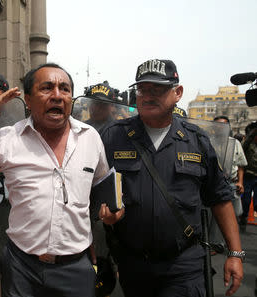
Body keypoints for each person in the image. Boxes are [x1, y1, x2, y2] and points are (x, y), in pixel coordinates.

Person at [0, 63, 112, 297]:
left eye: (64, 89)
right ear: (28, 100)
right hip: (22, 268)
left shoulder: (90, 137)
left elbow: (101, 184)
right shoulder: (8, 139)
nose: (57, 95)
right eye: (47, 88)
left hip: (76, 269)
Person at [99, 59, 244, 297]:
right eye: (142, 90)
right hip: (132, 263)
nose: (147, 96)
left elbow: (220, 198)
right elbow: (94, 191)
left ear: (177, 93)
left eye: (157, 89)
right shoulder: (113, 137)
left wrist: (235, 254)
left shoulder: (196, 140)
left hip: (183, 265)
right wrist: (105, 214)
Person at [208, 116, 247, 254]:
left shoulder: (235, 143)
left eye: (223, 125)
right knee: (212, 215)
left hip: (230, 182)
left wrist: (240, 182)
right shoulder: (208, 142)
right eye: (217, 125)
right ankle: (213, 243)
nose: (220, 128)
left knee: (231, 214)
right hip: (213, 183)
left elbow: (241, 164)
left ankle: (226, 245)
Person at [240, 121, 257, 231]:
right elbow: (243, 147)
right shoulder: (248, 144)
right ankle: (243, 218)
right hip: (248, 176)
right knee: (246, 201)